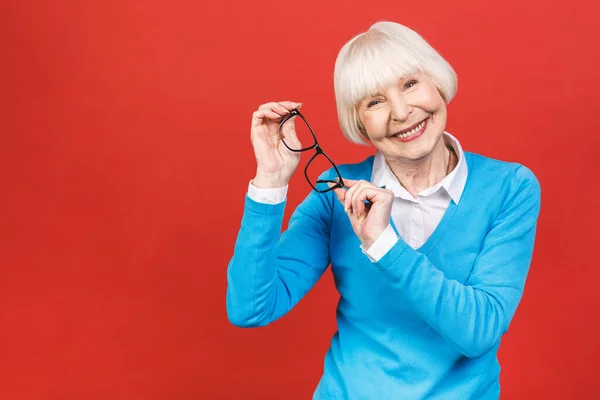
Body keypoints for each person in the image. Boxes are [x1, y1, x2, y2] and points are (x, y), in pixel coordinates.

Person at [226, 21, 541, 400]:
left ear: (438, 83)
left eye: (410, 84)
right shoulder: (335, 192)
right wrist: (270, 181)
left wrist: (383, 244)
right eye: (374, 102)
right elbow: (251, 308)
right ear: (359, 121)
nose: (402, 111)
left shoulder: (509, 188)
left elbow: (478, 332)